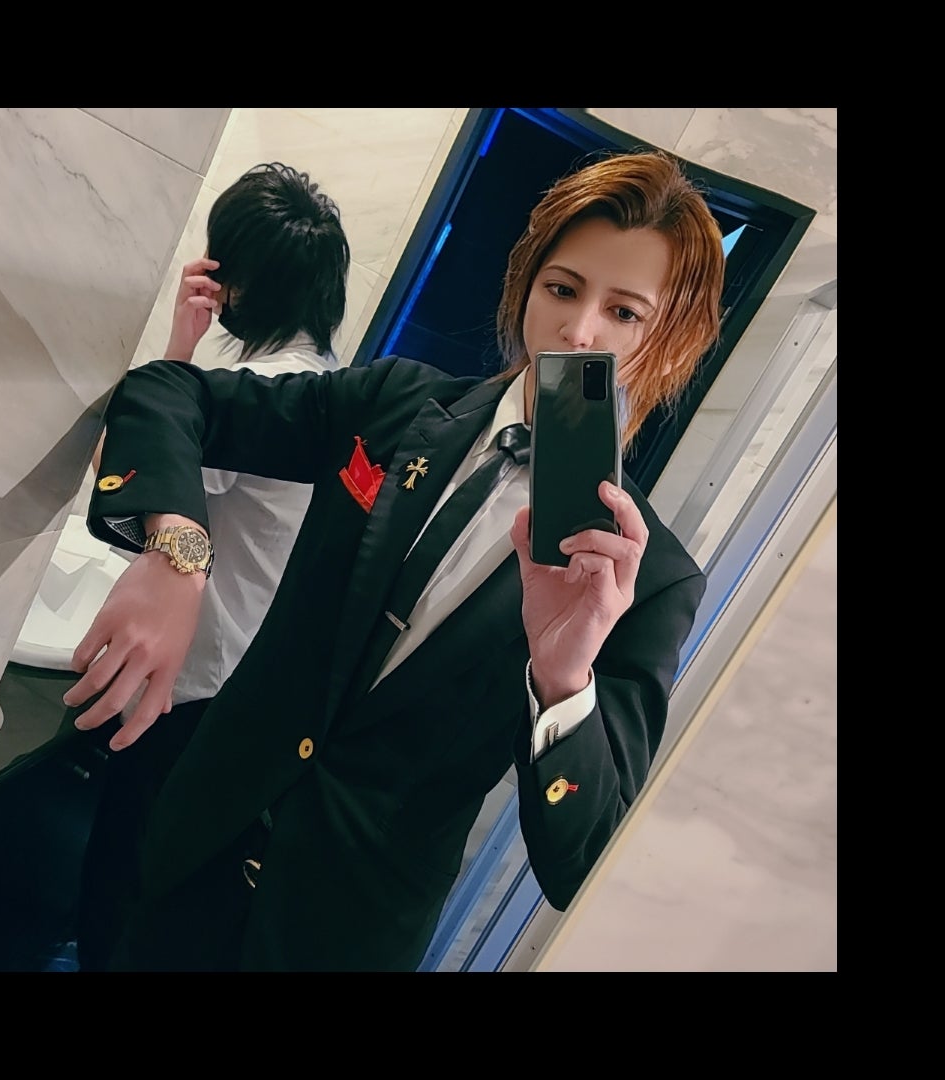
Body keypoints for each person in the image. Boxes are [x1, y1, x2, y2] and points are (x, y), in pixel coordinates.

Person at [64, 148, 725, 972]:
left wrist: (564, 681)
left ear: (671, 339)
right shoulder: (395, 404)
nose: (580, 331)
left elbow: (579, 856)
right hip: (189, 856)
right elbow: (169, 392)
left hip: (344, 935)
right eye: (563, 289)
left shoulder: (649, 578)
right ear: (526, 285)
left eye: (624, 312)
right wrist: (179, 552)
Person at [74, 161, 351, 972]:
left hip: (191, 689)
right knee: (171, 892)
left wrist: (179, 348)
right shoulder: (326, 390)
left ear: (235, 280)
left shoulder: (249, 393)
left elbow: (118, 465)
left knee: (119, 885)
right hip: (254, 690)